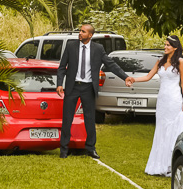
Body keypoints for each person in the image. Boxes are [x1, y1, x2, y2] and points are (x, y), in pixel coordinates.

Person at [56, 23, 131, 159]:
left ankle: (90, 148)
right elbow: (62, 67)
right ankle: (64, 149)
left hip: (88, 88)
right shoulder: (71, 46)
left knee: (90, 119)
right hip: (72, 87)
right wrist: (60, 83)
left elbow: (111, 64)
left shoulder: (98, 49)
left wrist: (125, 77)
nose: (80, 33)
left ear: (90, 35)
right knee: (67, 118)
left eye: (83, 32)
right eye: (80, 31)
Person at [132, 36, 183, 176]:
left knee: (171, 129)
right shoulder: (160, 61)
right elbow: (147, 77)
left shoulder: (180, 62)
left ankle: (170, 163)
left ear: (175, 47)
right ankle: (159, 163)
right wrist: (133, 80)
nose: (165, 47)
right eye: (165, 45)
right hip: (162, 100)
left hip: (174, 100)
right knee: (161, 129)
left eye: (168, 45)